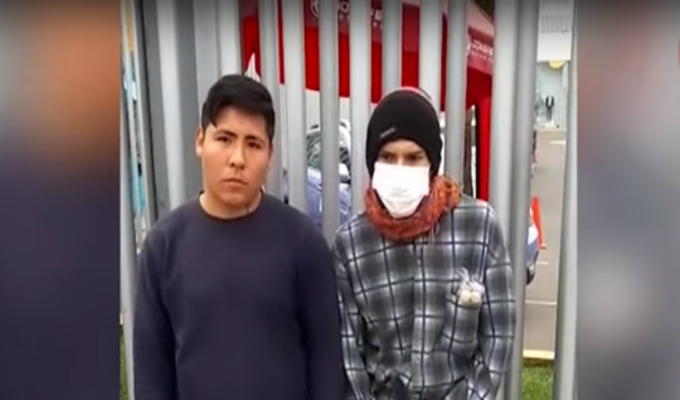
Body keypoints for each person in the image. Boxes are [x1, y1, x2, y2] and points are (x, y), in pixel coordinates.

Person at [134, 74, 344, 400]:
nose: (237, 159)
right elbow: (152, 377)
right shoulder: (163, 247)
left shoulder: (302, 243)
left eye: (253, 144)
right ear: (200, 141)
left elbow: (327, 366)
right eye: (225, 139)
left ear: (270, 155)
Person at [332, 88, 515, 400]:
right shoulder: (351, 245)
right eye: (388, 157)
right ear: (372, 163)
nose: (400, 168)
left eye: (414, 158)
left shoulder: (479, 227)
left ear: (432, 163)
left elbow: (498, 337)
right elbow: (350, 355)